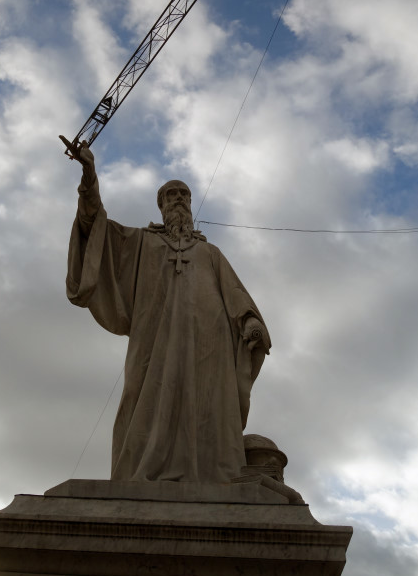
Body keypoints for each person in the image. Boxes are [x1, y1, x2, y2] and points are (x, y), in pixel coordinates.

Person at [64, 139, 271, 482]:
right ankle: (140, 472)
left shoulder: (211, 253)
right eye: (171, 194)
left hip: (209, 345)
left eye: (183, 194)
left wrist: (250, 321)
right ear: (160, 205)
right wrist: (89, 178)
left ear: (190, 204)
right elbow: (94, 226)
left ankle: (210, 475)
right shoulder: (142, 243)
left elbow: (235, 292)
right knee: (142, 398)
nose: (178, 198)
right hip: (154, 339)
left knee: (207, 407)